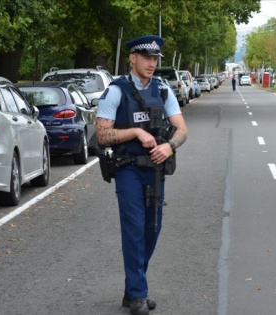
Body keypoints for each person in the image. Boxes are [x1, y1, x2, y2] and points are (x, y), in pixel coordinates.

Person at [96, 35, 188, 315]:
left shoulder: (162, 90)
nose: (151, 63)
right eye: (146, 58)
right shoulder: (116, 91)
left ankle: (132, 289)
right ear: (132, 58)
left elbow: (182, 130)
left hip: (156, 170)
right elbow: (101, 134)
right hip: (128, 169)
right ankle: (138, 294)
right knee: (134, 228)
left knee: (153, 228)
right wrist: (136, 132)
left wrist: (169, 147)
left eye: (155, 59)